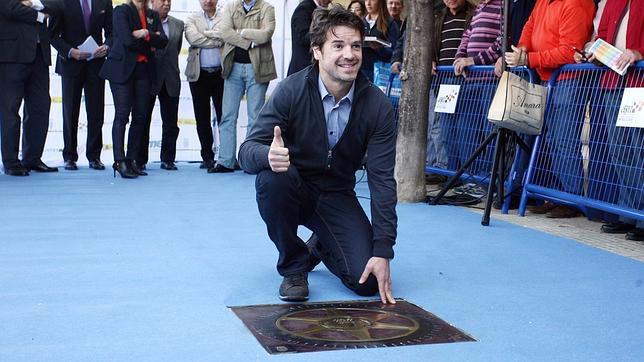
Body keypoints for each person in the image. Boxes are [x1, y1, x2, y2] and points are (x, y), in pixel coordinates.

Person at [238, 7, 398, 304]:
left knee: (365, 283)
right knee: (272, 179)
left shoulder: (378, 106)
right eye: (338, 46)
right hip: (293, 186)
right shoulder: (291, 90)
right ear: (316, 51)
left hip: (337, 194)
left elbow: (383, 182)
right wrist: (267, 156)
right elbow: (246, 151)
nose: (349, 54)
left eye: (355, 46)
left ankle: (321, 245)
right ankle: (294, 266)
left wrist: (382, 250)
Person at [506, 0, 594, 218]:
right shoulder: (543, 1)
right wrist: (524, 47)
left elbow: (569, 51)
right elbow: (529, 25)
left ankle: (571, 198)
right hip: (548, 78)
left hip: (569, 80)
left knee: (564, 140)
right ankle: (556, 195)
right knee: (552, 140)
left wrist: (528, 58)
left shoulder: (576, 3)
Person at [391, 0, 476, 184]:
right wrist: (429, 59)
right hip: (443, 80)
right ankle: (451, 175)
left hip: (467, 80)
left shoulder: (473, 13)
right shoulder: (439, 14)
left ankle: (469, 178)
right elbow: (429, 42)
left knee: (466, 131)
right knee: (445, 129)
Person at [581, 0, 643, 240]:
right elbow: (603, 35)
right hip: (613, 82)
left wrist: (639, 52)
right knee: (619, 150)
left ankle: (640, 216)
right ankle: (628, 213)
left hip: (639, 81)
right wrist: (595, 51)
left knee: (638, 148)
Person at [99, 0, 168, 178]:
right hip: (122, 70)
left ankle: (132, 160)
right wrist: (150, 40)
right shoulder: (121, 11)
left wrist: (144, 33)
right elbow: (127, 40)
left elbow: (163, 41)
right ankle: (119, 161)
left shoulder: (152, 14)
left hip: (144, 71)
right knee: (122, 115)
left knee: (140, 117)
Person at [0, 0, 63, 176]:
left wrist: (32, 3)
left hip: (39, 54)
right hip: (12, 55)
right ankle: (11, 161)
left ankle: (32, 158)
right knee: (10, 109)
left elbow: (58, 6)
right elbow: (10, 9)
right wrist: (39, 15)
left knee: (40, 108)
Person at [49, 0, 113, 172]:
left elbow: (112, 32)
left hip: (96, 63)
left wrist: (106, 46)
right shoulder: (62, 2)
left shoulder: (104, 1)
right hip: (71, 63)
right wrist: (70, 52)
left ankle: (94, 156)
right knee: (70, 112)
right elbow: (52, 35)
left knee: (96, 112)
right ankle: (69, 156)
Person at [215, 0, 277, 173]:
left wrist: (241, 32)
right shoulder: (230, 7)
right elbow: (225, 32)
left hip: (258, 68)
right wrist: (249, 41)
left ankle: (250, 161)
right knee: (227, 116)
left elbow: (266, 34)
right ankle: (226, 161)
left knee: (255, 117)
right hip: (232, 67)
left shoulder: (267, 8)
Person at [139, 0, 183, 171]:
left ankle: (168, 158)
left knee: (171, 122)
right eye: (162, 0)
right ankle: (140, 159)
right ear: (151, 2)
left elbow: (176, 49)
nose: (166, 4)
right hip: (149, 77)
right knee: (143, 120)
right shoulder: (145, 21)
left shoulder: (178, 24)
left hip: (171, 78)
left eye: (169, 1)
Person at [184, 0, 224, 171]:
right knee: (202, 118)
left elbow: (226, 35)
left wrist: (206, 36)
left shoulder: (225, 17)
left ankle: (226, 156)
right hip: (198, 75)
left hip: (221, 74)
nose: (208, 1)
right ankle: (207, 156)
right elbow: (194, 38)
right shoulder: (191, 19)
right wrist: (216, 39)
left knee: (225, 117)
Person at [287, 0, 331, 76]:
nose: (330, 1)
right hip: (303, 68)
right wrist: (327, 33)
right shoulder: (304, 8)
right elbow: (303, 37)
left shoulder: (316, 8)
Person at [361, 0, 399, 82]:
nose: (368, 3)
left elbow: (396, 50)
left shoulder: (390, 23)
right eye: (366, 0)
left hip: (381, 71)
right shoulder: (361, 22)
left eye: (372, 0)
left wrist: (379, 48)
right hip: (362, 69)